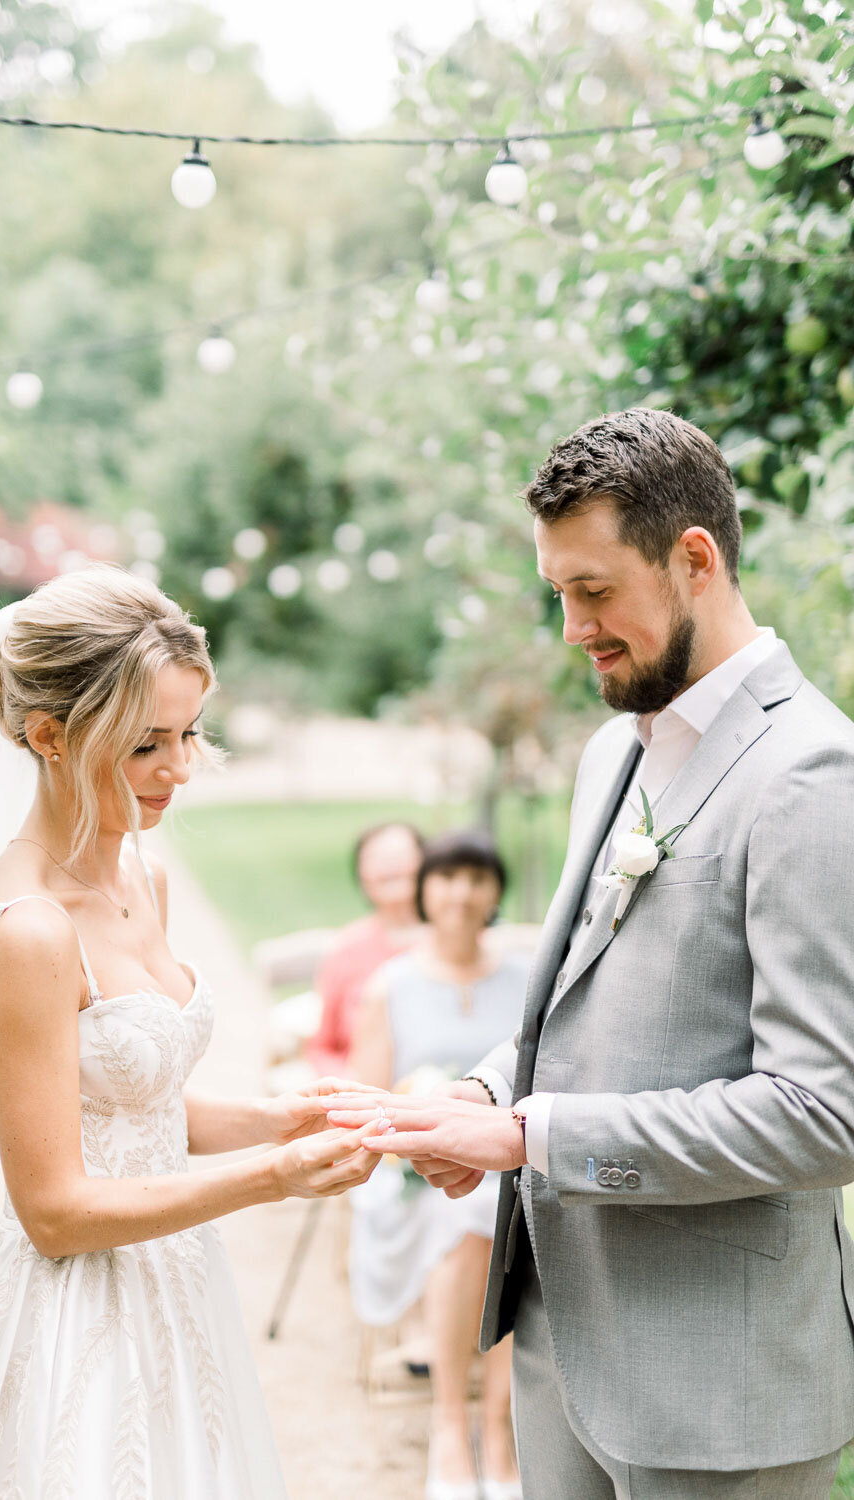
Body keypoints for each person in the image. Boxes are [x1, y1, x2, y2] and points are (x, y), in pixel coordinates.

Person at [328, 408, 854, 1498]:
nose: (571, 628)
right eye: (557, 593)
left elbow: (823, 1113)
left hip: (721, 1389)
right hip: (556, 1352)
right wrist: (477, 1102)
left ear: (694, 559)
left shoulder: (812, 775)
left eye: (595, 591)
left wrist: (531, 1137)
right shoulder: (611, 749)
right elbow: (571, 1010)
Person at [0, 563, 378, 1499]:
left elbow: (135, 1109)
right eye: (146, 745)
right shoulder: (30, 930)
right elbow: (53, 1213)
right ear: (49, 736)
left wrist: (278, 1118)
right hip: (72, 1322)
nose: (179, 769)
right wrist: (269, 1180)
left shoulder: (143, 877)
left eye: (189, 733)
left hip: (173, 1286)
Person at [348, 830, 526, 1500]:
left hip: (509, 1165)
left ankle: (494, 1424)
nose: (463, 893)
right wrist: (426, 1127)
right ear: (425, 890)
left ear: (496, 892)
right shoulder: (391, 985)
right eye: (448, 877)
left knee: (493, 1210)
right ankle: (459, 1424)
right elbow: (368, 1100)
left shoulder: (527, 977)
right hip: (418, 1173)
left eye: (478, 878)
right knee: (477, 1218)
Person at [305, 821, 425, 1076]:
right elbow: (322, 1047)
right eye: (377, 858)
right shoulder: (347, 949)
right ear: (361, 876)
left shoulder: (454, 942)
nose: (390, 867)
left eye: (399, 856)